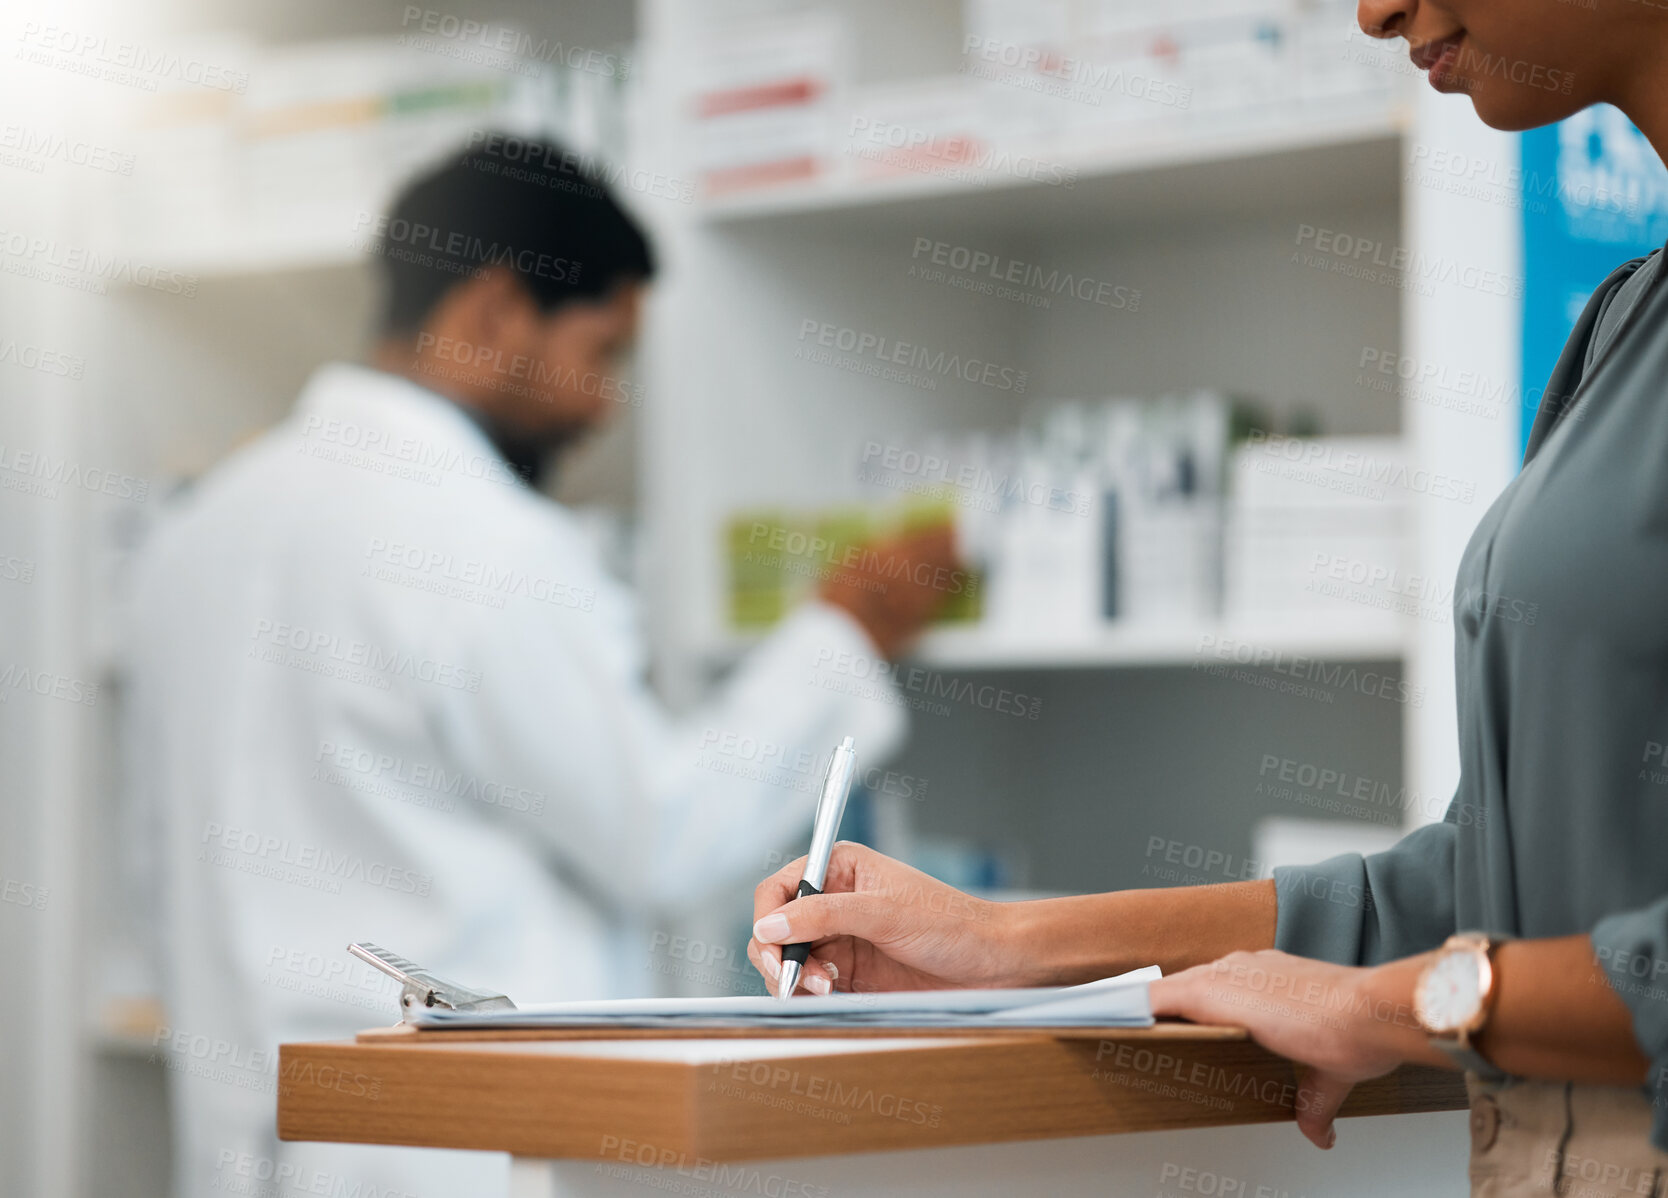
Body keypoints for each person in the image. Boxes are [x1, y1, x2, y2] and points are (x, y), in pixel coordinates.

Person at [748, 4, 1668, 1194]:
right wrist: (1002, 945)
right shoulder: (1623, 325)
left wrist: (1392, 1007)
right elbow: (1492, 883)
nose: (1373, 8)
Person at [123, 138, 957, 1198]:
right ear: (494, 310)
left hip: (248, 1149)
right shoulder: (479, 541)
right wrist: (847, 629)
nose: (602, 405)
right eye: (601, 353)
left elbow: (161, 868)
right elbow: (657, 832)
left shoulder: (201, 529)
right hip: (443, 1163)